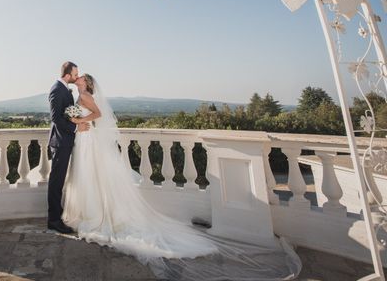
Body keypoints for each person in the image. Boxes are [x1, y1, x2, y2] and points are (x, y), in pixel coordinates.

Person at [61, 74, 302, 280]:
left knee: (94, 178)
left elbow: (98, 114)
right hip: (85, 141)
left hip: (87, 140)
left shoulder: (85, 97)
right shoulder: (78, 96)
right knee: (90, 177)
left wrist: (79, 119)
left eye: (81, 77)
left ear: (87, 83)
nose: (79, 78)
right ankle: (90, 210)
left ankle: (94, 214)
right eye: (78, 76)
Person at [46, 61, 90, 234]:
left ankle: (57, 217)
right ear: (67, 75)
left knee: (61, 180)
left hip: (66, 141)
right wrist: (76, 127)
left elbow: (68, 113)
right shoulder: (57, 89)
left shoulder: (64, 89)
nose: (77, 76)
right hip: (60, 142)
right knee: (56, 181)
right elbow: (56, 118)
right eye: (75, 73)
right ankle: (54, 220)